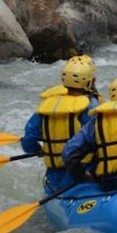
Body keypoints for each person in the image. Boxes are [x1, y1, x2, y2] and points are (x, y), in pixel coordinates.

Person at [22, 55, 102, 194]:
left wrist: (37, 150)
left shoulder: (47, 107)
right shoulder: (89, 107)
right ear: (89, 82)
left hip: (54, 176)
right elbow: (101, 137)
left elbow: (29, 138)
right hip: (83, 173)